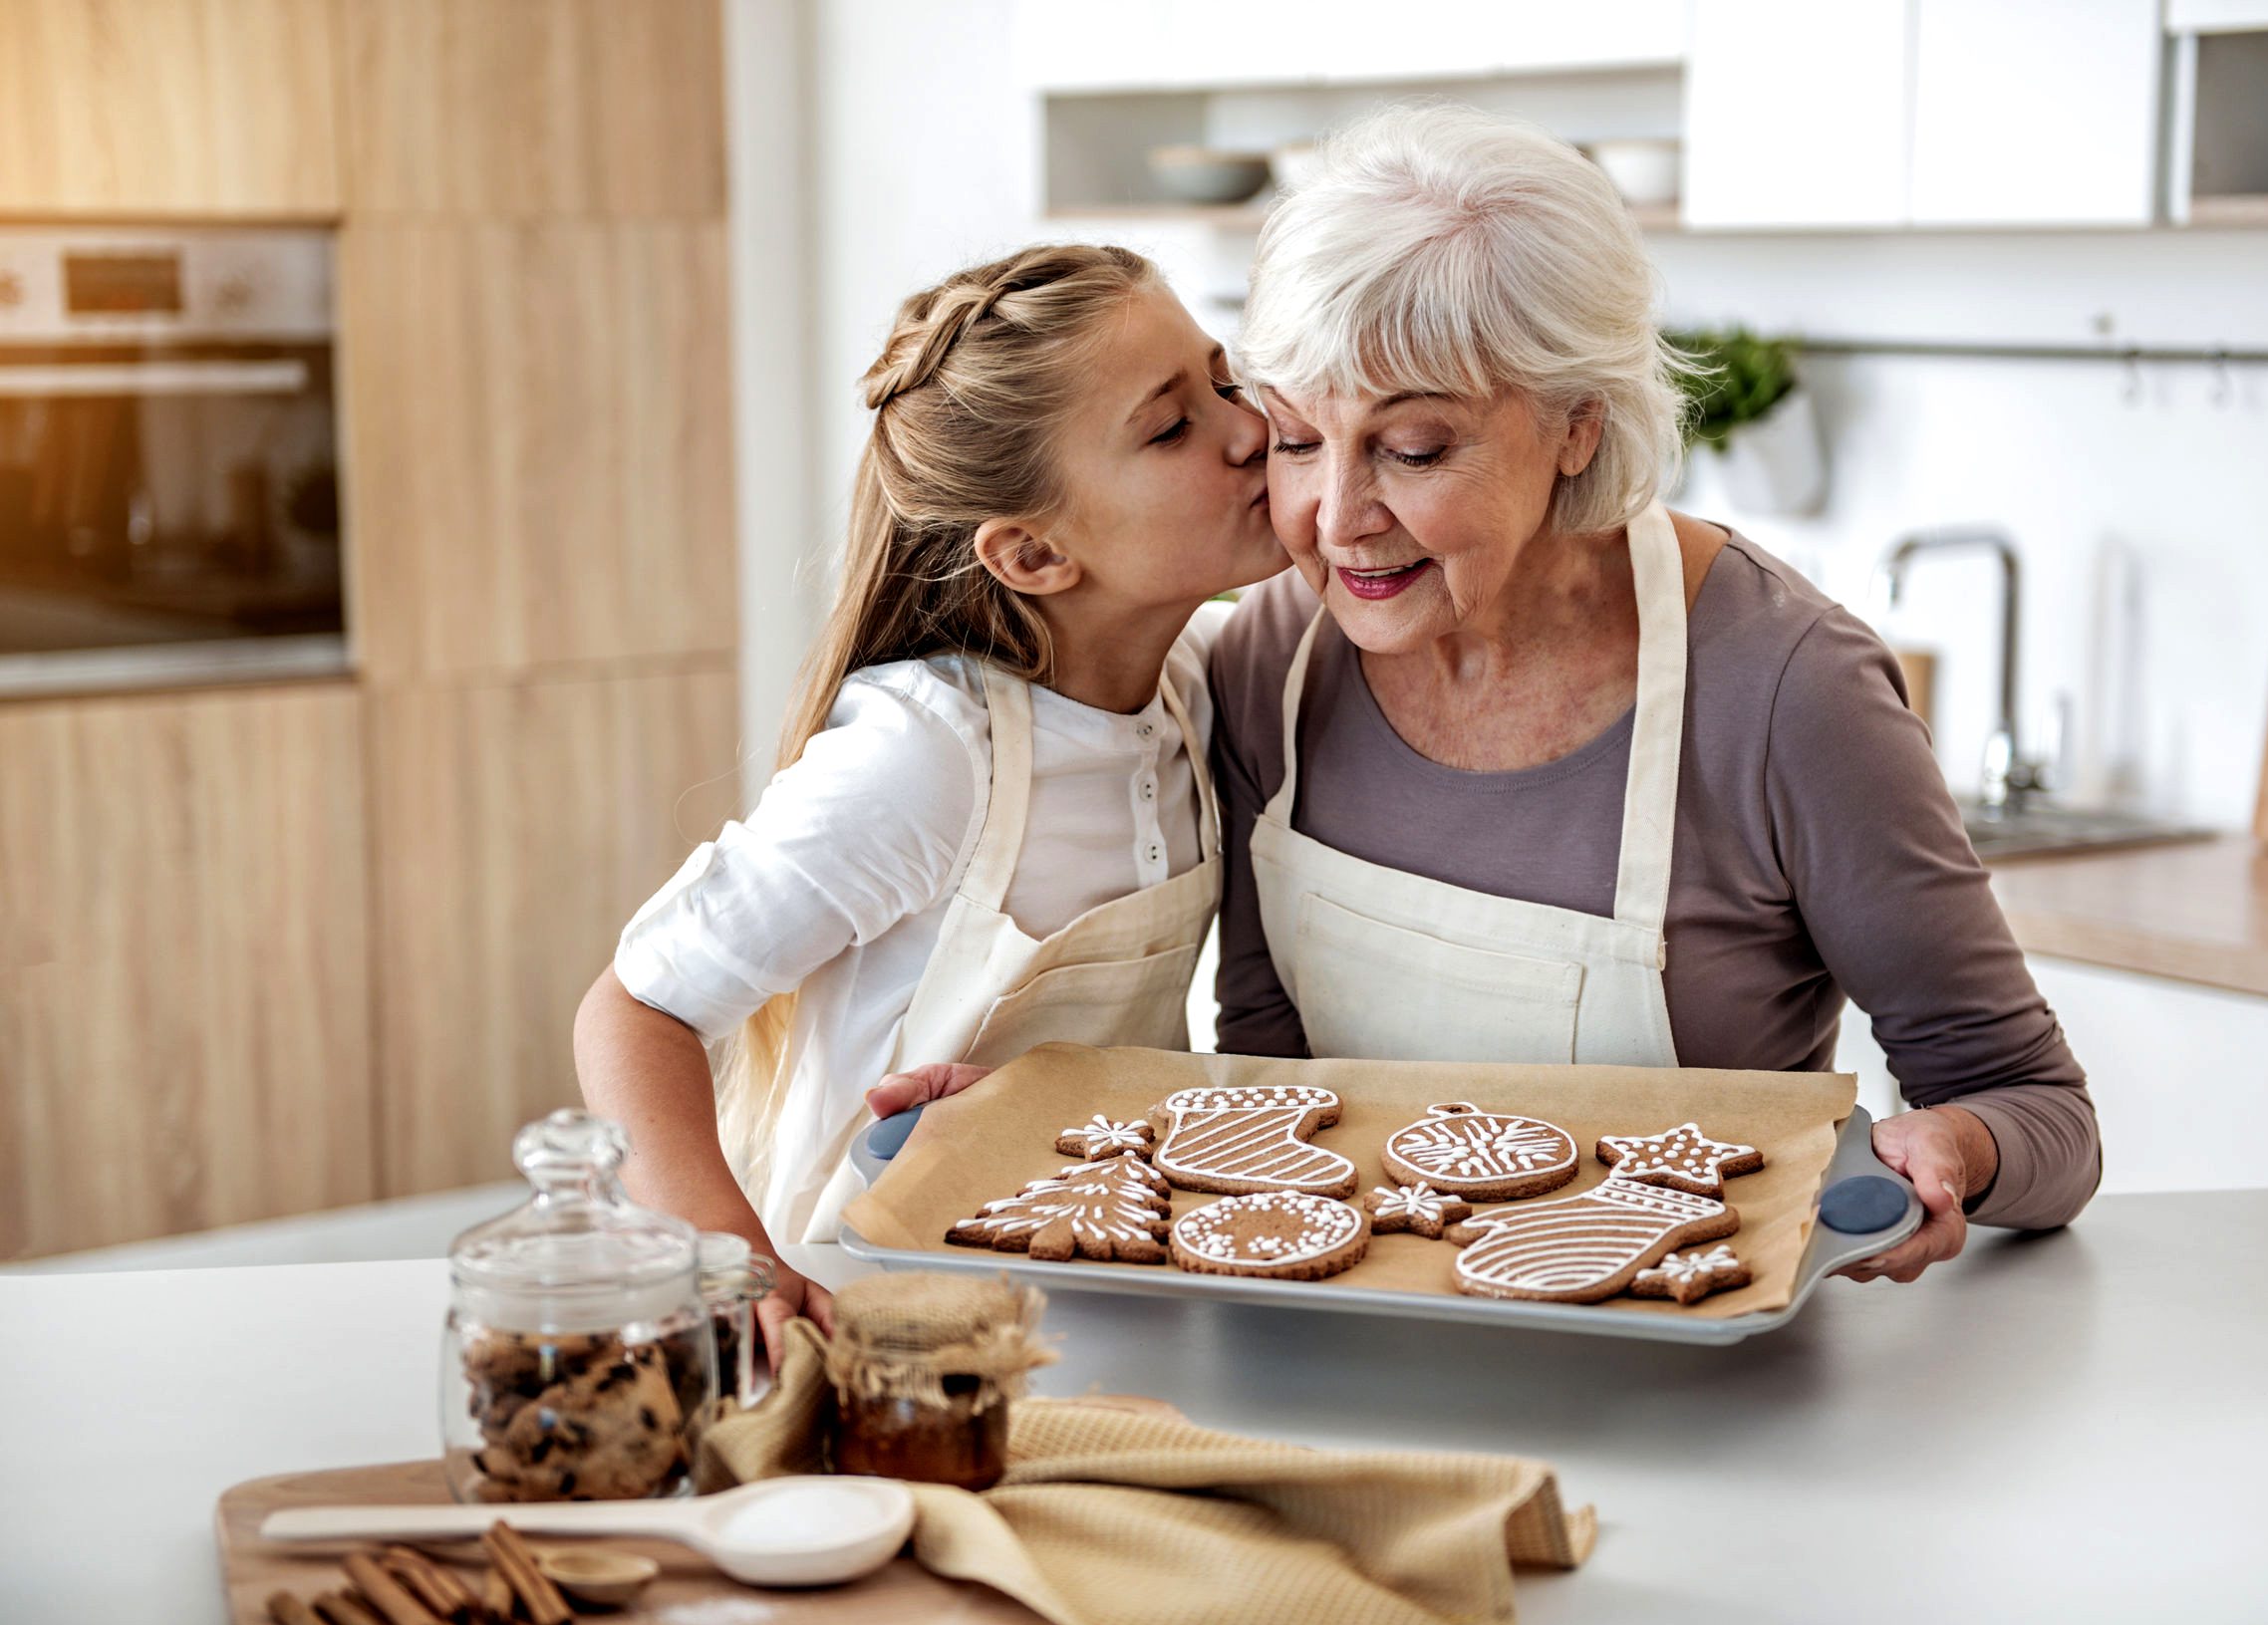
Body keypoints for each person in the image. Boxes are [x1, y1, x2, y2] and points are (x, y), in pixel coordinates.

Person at [1204, 105, 2100, 1281]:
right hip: (1341, 1348)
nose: (1334, 518)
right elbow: (1265, 1085)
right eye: (1292, 441)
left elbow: (2037, 1108)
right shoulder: (1271, 663)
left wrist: (1953, 1147)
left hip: (1693, 1372)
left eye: (1412, 449)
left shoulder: (1787, 693)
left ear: (1576, 424)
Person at [574, 244, 1284, 1357]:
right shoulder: (926, 756)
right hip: (868, 1326)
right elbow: (635, 1012)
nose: (1250, 429)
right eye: (1171, 426)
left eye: (1224, 379)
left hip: (1101, 1306)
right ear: (1035, 551)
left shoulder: (1200, 685)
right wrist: (731, 1261)